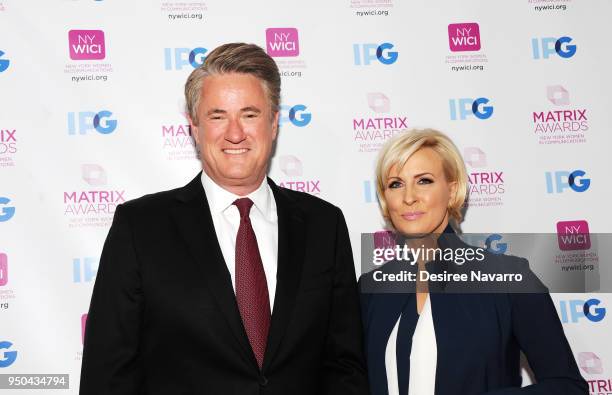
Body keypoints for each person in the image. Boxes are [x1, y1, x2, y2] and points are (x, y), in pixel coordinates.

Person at [79, 43, 369, 395]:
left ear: (274, 123)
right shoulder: (140, 228)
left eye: (249, 114)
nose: (235, 133)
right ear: (195, 127)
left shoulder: (325, 226)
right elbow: (107, 375)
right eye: (218, 116)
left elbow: (345, 368)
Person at [359, 129, 587, 395]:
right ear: (385, 198)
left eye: (424, 181)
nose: (409, 197)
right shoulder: (371, 288)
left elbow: (568, 387)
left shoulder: (509, 278)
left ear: (452, 189)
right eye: (395, 184)